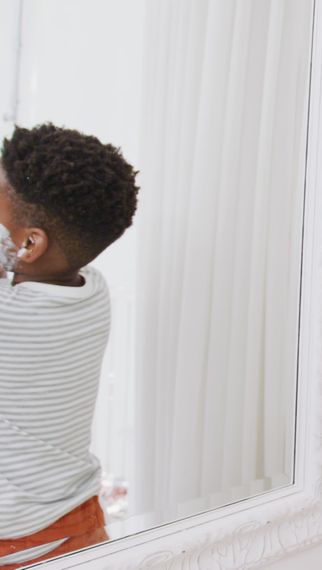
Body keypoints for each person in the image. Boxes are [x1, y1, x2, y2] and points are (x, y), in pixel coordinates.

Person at [0, 124, 139, 569]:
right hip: (78, 521)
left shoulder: (11, 321)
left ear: (29, 244)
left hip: (16, 541)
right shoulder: (91, 290)